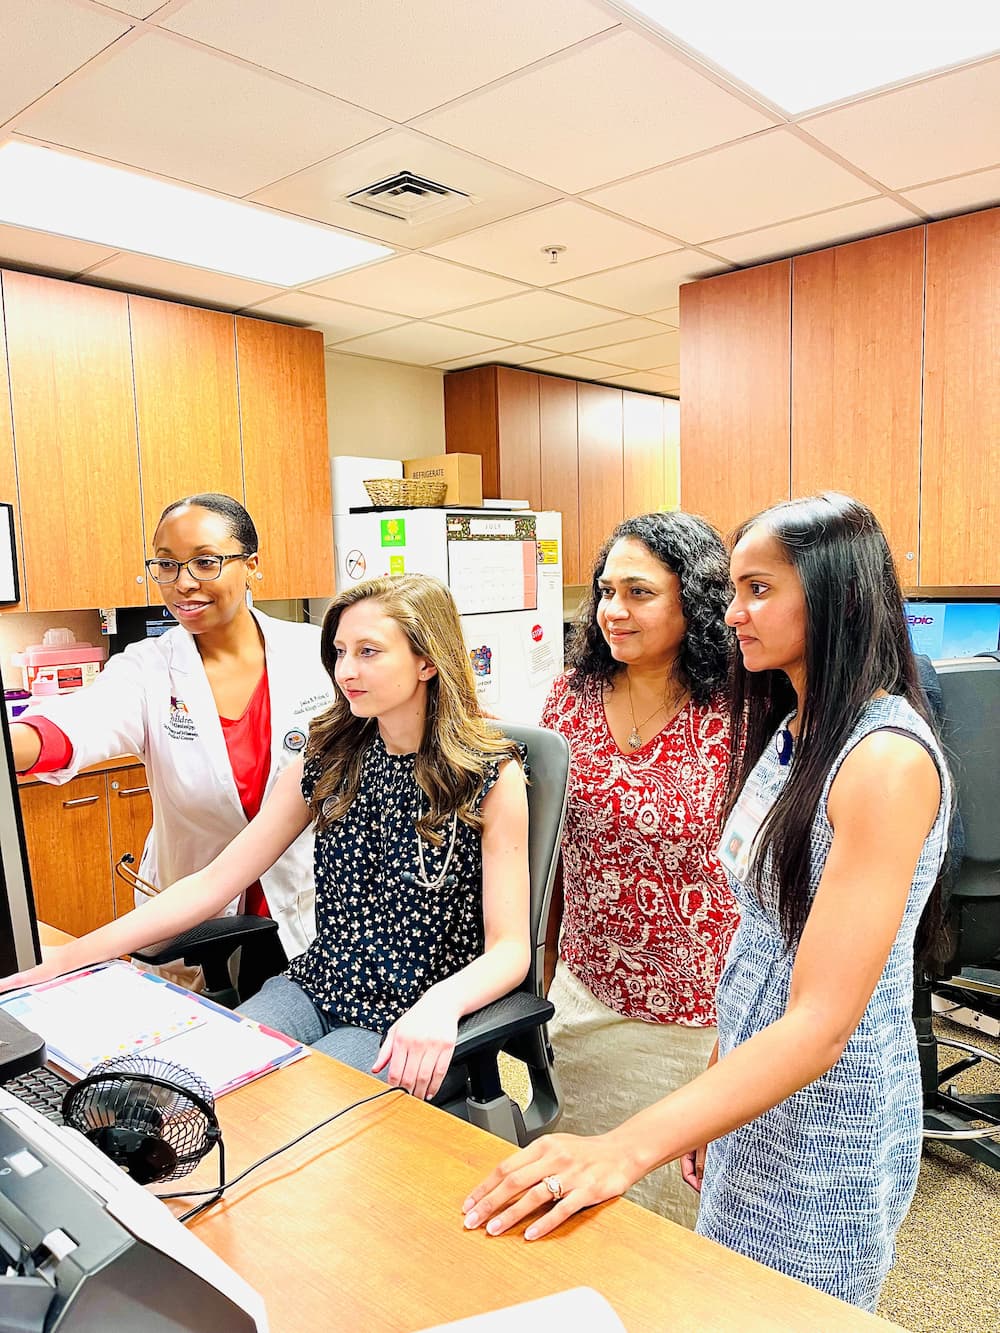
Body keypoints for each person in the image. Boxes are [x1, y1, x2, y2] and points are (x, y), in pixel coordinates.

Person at [462, 493, 951, 1314]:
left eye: (757, 590)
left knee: (782, 1311)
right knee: (701, 1298)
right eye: (733, 590)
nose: (733, 614)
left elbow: (822, 1023)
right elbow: (762, 939)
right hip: (749, 1078)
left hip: (825, 1122)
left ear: (834, 596)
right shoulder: (796, 727)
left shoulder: (883, 759)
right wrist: (720, 1075)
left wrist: (627, 1146)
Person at [4, 574, 530, 1101]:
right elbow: (214, 882)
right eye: (340, 652)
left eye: (369, 652)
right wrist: (63, 964)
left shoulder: (488, 775)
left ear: (426, 661)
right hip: (315, 985)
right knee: (173, 1090)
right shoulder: (330, 757)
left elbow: (511, 950)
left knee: (279, 1113)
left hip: (410, 1010)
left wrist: (441, 1007)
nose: (346, 671)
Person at [8, 494, 332, 962]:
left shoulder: (316, 654)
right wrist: (12, 745)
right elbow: (76, 724)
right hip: (197, 920)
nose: (183, 583)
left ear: (251, 565)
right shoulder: (148, 669)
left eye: (205, 562)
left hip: (311, 904)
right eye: (166, 565)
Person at [540, 510, 736, 1228]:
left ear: (697, 601)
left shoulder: (741, 710)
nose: (613, 610)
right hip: (584, 992)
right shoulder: (572, 696)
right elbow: (551, 846)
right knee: (580, 1204)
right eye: (604, 589)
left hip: (695, 1020)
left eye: (639, 592)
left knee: (664, 1227)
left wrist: (732, 1045)